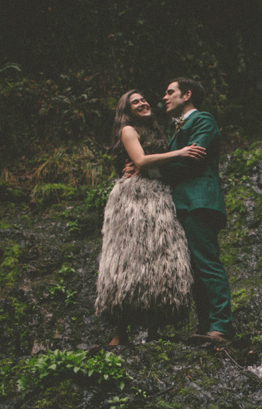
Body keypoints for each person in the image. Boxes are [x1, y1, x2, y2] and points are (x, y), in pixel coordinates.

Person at [125, 78, 233, 345]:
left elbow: (193, 159)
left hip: (200, 201)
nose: (164, 97)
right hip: (183, 204)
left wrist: (150, 168)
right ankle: (206, 324)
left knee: (206, 263)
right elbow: (180, 158)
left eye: (170, 92)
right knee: (193, 267)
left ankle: (222, 325)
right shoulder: (176, 133)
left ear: (187, 95)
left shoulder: (203, 120)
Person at [94, 90, 207, 346]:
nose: (143, 102)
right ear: (127, 109)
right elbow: (141, 160)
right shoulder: (128, 130)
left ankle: (155, 328)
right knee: (129, 259)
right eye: (135, 102)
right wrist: (181, 153)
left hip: (159, 196)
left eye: (144, 99)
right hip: (134, 197)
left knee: (159, 259)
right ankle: (120, 331)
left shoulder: (157, 132)